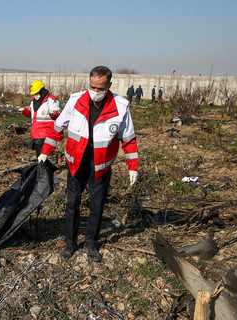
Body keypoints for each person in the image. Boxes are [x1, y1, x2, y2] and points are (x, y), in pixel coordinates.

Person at [37, 66, 139, 262]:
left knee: (97, 205)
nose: (95, 92)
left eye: (100, 88)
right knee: (72, 203)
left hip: (100, 165)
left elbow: (128, 139)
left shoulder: (120, 106)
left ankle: (91, 243)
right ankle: (70, 243)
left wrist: (132, 166)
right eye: (92, 87)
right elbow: (58, 128)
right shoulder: (76, 101)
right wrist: (45, 152)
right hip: (77, 162)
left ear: (109, 85)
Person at [19, 80, 62, 158]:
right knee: (40, 156)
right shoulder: (34, 101)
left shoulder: (50, 100)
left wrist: (53, 114)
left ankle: (42, 169)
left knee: (41, 155)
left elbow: (57, 113)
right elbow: (31, 112)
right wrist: (25, 110)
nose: (36, 95)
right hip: (36, 133)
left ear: (41, 91)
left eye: (37, 93)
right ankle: (44, 168)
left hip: (46, 133)